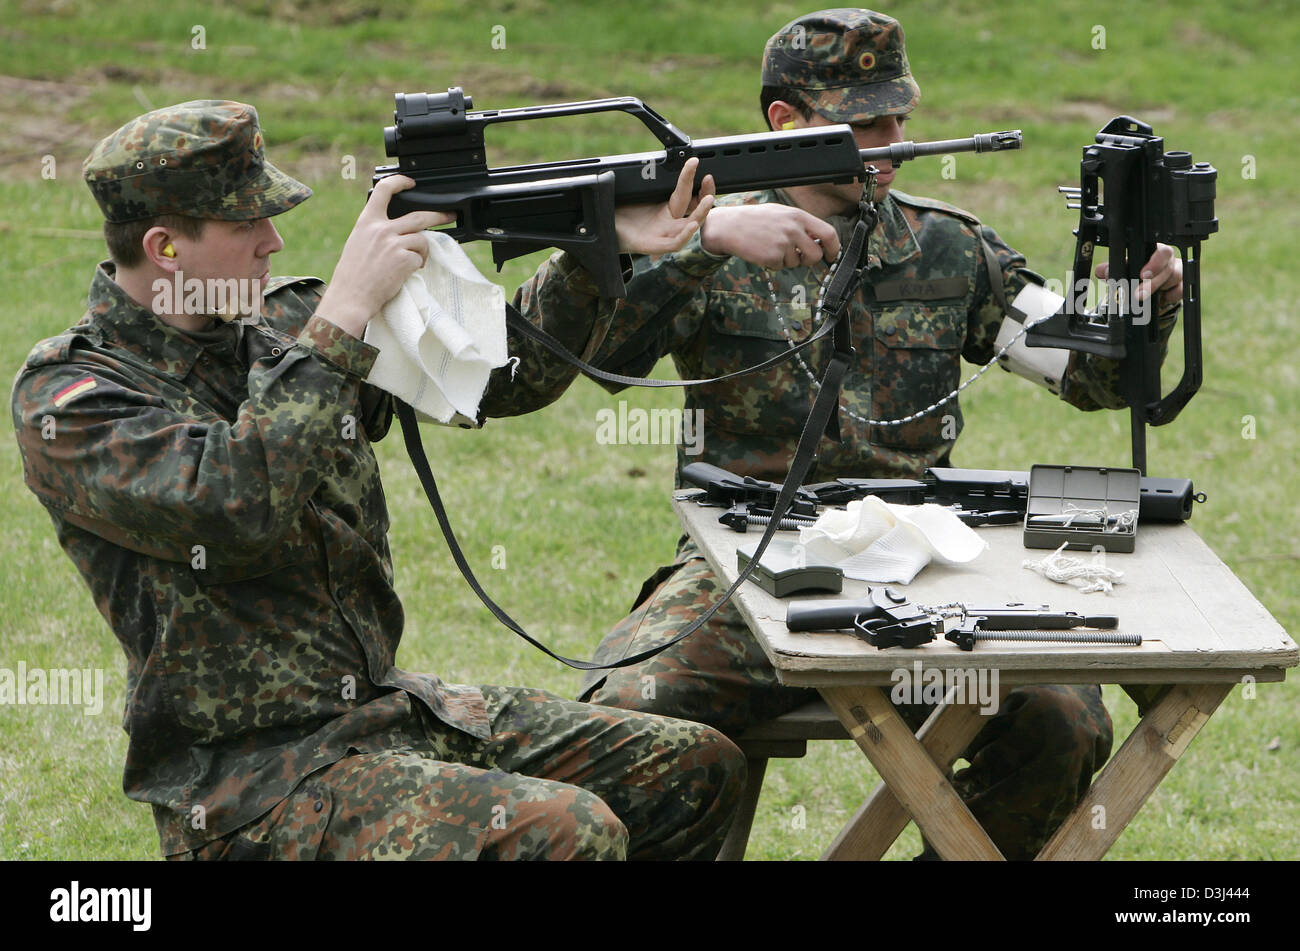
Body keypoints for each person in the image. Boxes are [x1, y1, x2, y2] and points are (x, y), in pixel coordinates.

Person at [481, 9, 1185, 860]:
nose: (889, 142)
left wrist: (1134, 300)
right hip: (745, 568)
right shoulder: (713, 236)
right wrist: (703, 243)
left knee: (1064, 719)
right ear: (785, 122)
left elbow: (1087, 374)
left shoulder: (948, 249)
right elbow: (605, 358)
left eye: (899, 120)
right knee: (620, 719)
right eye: (864, 124)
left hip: (922, 568)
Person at [10, 99, 745, 861]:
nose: (275, 241)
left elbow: (502, 377)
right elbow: (234, 503)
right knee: (568, 831)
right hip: (249, 786)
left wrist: (598, 253)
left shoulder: (282, 324)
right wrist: (345, 318)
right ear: (165, 246)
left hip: (380, 713)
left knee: (694, 768)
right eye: (247, 225)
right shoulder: (73, 398)